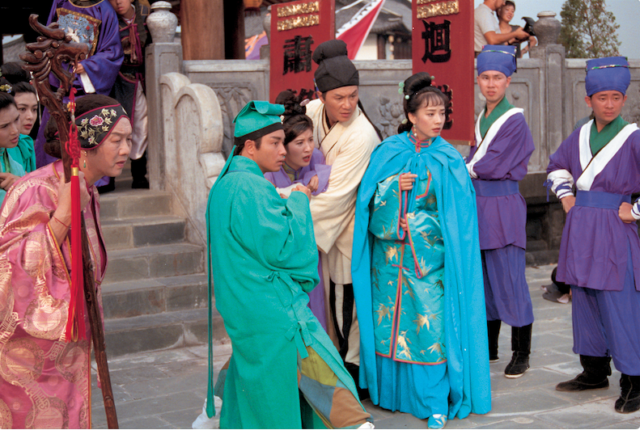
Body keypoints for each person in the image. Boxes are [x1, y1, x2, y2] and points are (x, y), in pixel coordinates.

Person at [204, 100, 373, 429]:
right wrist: (298, 201)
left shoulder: (226, 184)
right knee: (323, 370)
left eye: (283, 142)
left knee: (256, 377)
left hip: (243, 305)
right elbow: (283, 249)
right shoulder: (252, 187)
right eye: (275, 143)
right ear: (250, 147)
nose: (283, 151)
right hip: (275, 308)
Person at [352, 73, 491, 429]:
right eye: (430, 113)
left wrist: (415, 225)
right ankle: (394, 395)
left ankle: (434, 401)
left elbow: (459, 222)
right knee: (390, 325)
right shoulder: (389, 151)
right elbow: (365, 203)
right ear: (412, 116)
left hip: (428, 262)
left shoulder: (448, 159)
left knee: (429, 330)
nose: (438, 119)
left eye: (442, 113)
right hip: (389, 260)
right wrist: (391, 188)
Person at [0, 94, 131, 429]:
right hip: (31, 360)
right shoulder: (35, 189)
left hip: (67, 348)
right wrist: (61, 217)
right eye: (116, 140)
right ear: (86, 144)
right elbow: (6, 270)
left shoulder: (87, 189)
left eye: (129, 140)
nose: (127, 150)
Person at [547, 56, 640, 414]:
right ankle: (594, 370)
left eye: (616, 97)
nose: (610, 104)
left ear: (624, 99)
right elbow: (557, 166)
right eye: (602, 98)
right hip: (581, 226)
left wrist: (634, 211)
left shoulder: (633, 137)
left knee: (620, 303)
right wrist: (565, 195)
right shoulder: (580, 135)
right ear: (589, 100)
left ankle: (634, 381)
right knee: (584, 298)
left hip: (615, 228)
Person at [304, 40, 382, 392]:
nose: (348, 105)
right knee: (331, 298)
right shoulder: (310, 112)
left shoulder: (361, 134)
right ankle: (339, 363)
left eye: (353, 96)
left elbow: (337, 198)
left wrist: (289, 215)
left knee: (347, 299)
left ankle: (355, 371)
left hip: (350, 224)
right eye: (339, 98)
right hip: (323, 222)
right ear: (321, 95)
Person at [467, 45, 535, 378]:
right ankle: (490, 347)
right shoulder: (480, 118)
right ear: (478, 80)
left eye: (497, 78)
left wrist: (458, 167)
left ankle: (521, 352)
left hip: (503, 204)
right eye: (485, 77)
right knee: (484, 280)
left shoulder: (514, 120)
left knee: (509, 279)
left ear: (508, 81)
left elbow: (489, 165)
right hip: (479, 204)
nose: (491, 84)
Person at [264, 90, 331, 330]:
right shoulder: (270, 172)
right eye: (299, 143)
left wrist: (317, 178)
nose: (308, 149)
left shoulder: (316, 160)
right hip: (283, 256)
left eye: (310, 140)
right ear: (283, 146)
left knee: (315, 308)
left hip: (310, 252)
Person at [34, 0, 123, 174]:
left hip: (85, 88)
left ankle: (88, 177)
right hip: (58, 84)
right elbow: (49, 34)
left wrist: (88, 66)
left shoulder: (104, 9)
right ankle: (51, 176)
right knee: (53, 135)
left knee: (85, 140)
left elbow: (112, 51)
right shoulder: (60, 2)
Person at [108, 0, 152, 190]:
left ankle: (139, 174)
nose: (118, 2)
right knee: (114, 126)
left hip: (143, 79)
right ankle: (108, 177)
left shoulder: (146, 14)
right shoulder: (108, 19)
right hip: (117, 80)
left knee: (142, 126)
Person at [0, 92, 24, 207]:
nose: (15, 130)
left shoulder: (16, 167)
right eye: (4, 126)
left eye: (16, 119)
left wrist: (21, 184)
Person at [8, 81, 38, 173]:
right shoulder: (4, 147)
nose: (30, 116)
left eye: (34, 109)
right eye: (22, 109)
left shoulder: (26, 142)